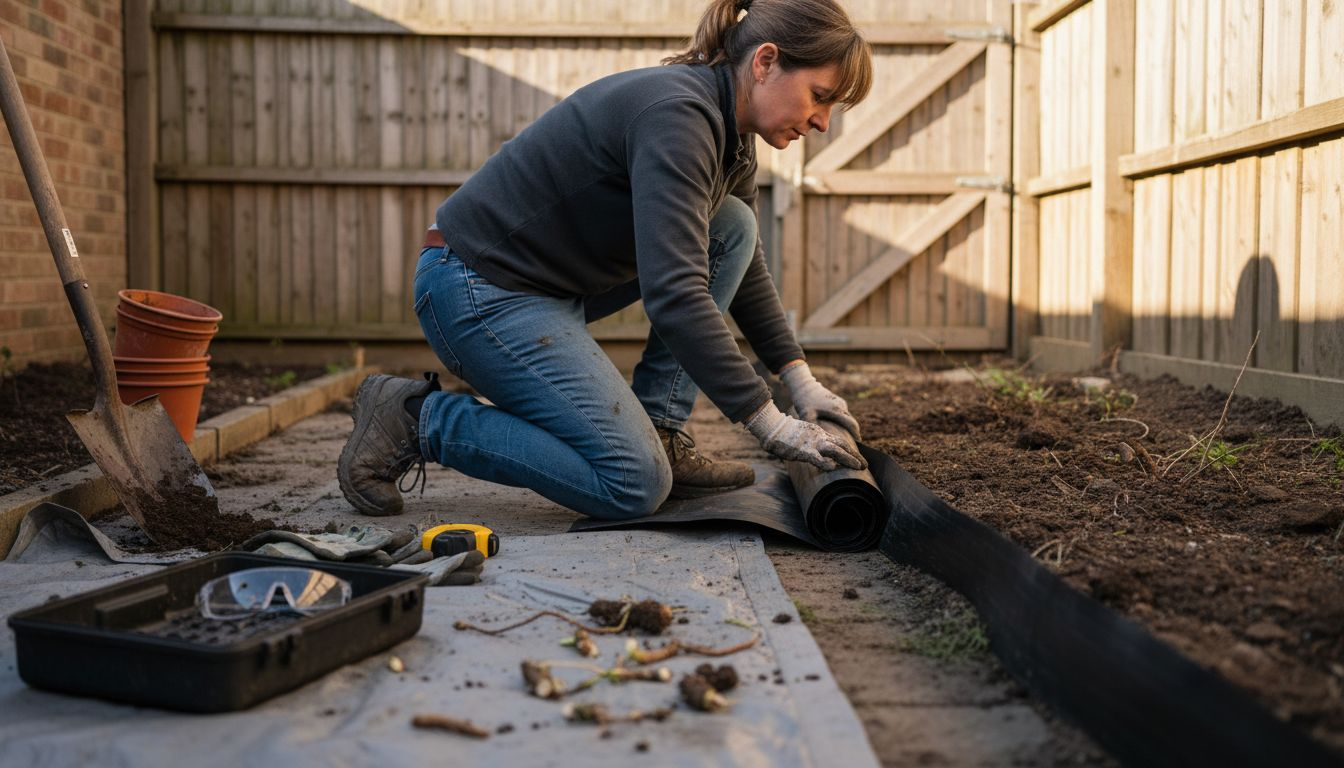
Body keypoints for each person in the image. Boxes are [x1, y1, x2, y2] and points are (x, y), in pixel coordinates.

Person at [338, 0, 873, 519]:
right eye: (819, 97)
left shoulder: (731, 136)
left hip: (541, 290)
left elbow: (742, 259)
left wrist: (797, 376)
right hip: (475, 288)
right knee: (631, 481)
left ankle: (662, 433)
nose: (822, 122)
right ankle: (416, 420)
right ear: (765, 62)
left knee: (732, 223)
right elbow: (675, 295)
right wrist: (768, 423)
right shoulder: (679, 117)